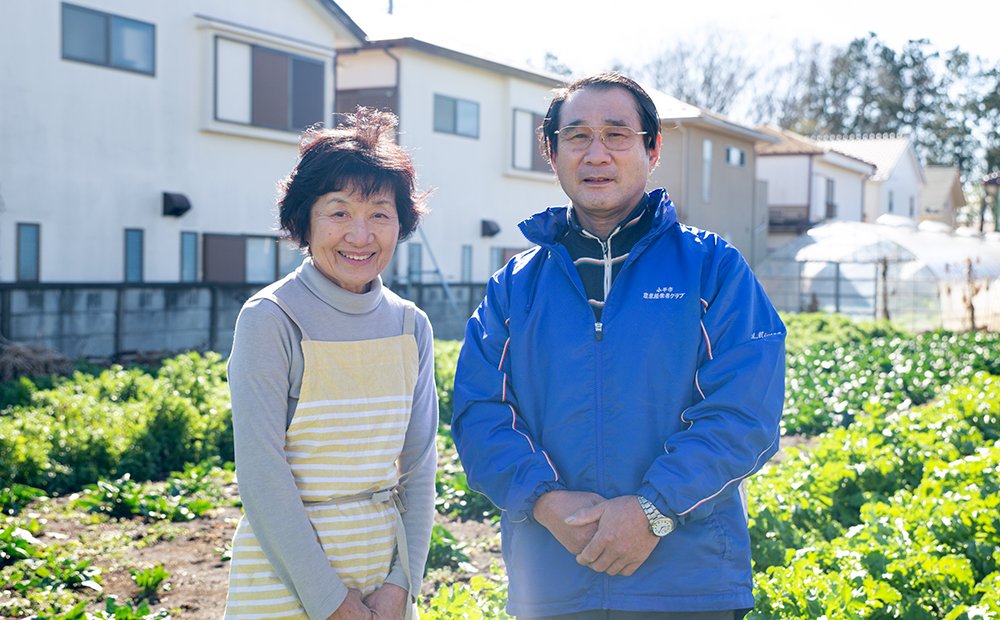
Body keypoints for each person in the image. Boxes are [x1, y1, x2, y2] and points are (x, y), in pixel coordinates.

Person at [451, 72, 786, 619]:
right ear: (551, 152)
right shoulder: (514, 286)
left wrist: (655, 510)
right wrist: (545, 501)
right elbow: (479, 411)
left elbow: (745, 411)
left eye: (617, 134)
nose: (596, 154)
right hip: (553, 582)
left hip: (688, 586)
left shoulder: (712, 268)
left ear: (653, 149)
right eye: (577, 136)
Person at [224, 108, 438, 620]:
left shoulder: (411, 326)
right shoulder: (272, 319)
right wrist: (329, 601)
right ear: (304, 219)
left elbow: (420, 468)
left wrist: (401, 585)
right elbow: (261, 475)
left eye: (380, 214)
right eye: (339, 212)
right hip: (285, 578)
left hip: (384, 577)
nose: (360, 235)